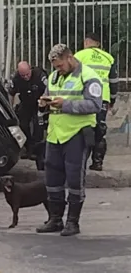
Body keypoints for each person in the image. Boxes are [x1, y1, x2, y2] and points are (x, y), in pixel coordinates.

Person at [36, 44, 102, 237]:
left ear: (70, 58)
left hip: (77, 134)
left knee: (74, 178)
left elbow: (95, 105)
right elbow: (50, 98)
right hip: (55, 135)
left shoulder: (89, 76)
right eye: (55, 67)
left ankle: (73, 222)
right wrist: (43, 104)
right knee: (52, 179)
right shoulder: (53, 77)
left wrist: (66, 105)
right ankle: (55, 219)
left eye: (60, 65)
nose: (58, 70)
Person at [74, 32, 118, 171]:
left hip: (84, 98)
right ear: (98, 44)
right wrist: (112, 99)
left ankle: (81, 163)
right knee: (100, 130)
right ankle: (97, 162)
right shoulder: (108, 58)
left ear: (86, 42)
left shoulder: (79, 56)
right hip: (102, 99)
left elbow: (73, 79)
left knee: (84, 128)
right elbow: (113, 81)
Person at [8, 61, 48, 159]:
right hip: (26, 103)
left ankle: (36, 150)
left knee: (38, 125)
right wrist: (10, 108)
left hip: (39, 102)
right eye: (23, 75)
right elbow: (11, 93)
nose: (25, 77)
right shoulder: (16, 78)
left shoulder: (39, 75)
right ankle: (28, 147)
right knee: (22, 124)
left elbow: (49, 88)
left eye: (27, 74)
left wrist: (44, 100)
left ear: (30, 69)